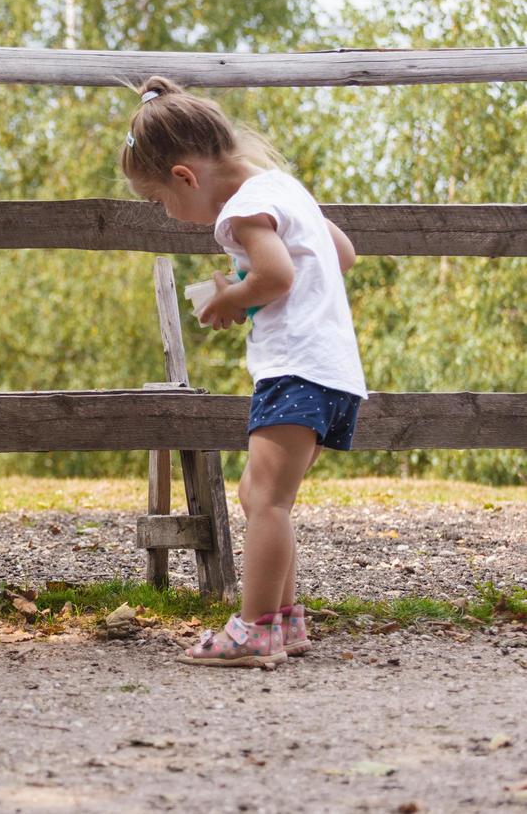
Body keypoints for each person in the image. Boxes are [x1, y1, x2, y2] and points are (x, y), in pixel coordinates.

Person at [120, 75, 367, 667]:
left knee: (269, 502)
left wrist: (230, 300)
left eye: (159, 200)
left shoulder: (239, 211)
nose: (168, 213)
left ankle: (254, 630)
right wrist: (247, 289)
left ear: (184, 175)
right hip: (333, 373)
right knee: (260, 495)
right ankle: (284, 621)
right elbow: (341, 255)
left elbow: (278, 277)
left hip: (295, 371)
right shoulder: (284, 189)